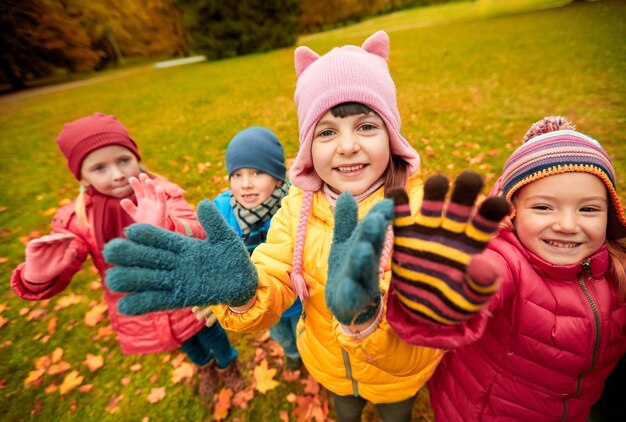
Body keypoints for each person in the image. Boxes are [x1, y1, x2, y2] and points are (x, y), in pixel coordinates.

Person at [103, 32, 505, 421]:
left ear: (393, 135)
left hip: (397, 374)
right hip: (327, 363)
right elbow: (275, 275)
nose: (347, 146)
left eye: (366, 126)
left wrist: (366, 316)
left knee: (394, 413)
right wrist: (244, 293)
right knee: (344, 409)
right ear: (308, 146)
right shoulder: (296, 208)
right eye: (327, 132)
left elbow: (429, 324)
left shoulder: (418, 216)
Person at [385, 116, 626, 421]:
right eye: (543, 207)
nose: (567, 225)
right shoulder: (506, 261)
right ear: (511, 211)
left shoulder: (616, 268)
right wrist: (440, 297)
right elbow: (470, 291)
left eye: (588, 209)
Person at [10, 112, 243, 402]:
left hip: (186, 292)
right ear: (82, 176)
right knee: (186, 344)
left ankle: (228, 363)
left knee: (209, 333)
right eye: (99, 168)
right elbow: (66, 258)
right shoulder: (79, 219)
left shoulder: (162, 193)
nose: (117, 174)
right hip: (148, 303)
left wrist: (165, 227)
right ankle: (204, 367)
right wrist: (36, 277)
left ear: (136, 156)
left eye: (123, 160)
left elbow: (196, 229)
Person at [199, 125, 303, 370]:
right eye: (237, 175)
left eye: (257, 173)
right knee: (281, 334)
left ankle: (305, 355)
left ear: (278, 178)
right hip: (258, 300)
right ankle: (291, 353)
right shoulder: (223, 210)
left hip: (297, 296)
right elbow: (212, 253)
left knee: (303, 333)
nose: (245, 184)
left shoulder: (294, 208)